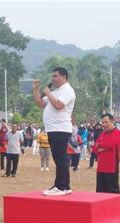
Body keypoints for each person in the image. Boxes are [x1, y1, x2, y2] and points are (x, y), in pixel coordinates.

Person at [32, 67, 76, 196]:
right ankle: (65, 186)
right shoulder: (56, 91)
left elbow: (59, 105)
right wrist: (36, 90)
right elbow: (40, 103)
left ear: (64, 77)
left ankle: (60, 186)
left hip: (60, 129)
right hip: (53, 129)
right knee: (59, 158)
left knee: (60, 158)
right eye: (52, 76)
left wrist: (48, 93)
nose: (53, 79)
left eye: (55, 76)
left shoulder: (67, 90)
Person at [93, 114, 120, 193]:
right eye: (103, 123)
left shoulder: (117, 133)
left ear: (112, 121)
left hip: (111, 167)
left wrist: (100, 145)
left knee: (112, 190)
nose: (104, 124)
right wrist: (101, 147)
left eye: (106, 122)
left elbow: (110, 144)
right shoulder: (102, 134)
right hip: (101, 167)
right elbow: (95, 148)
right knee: (100, 191)